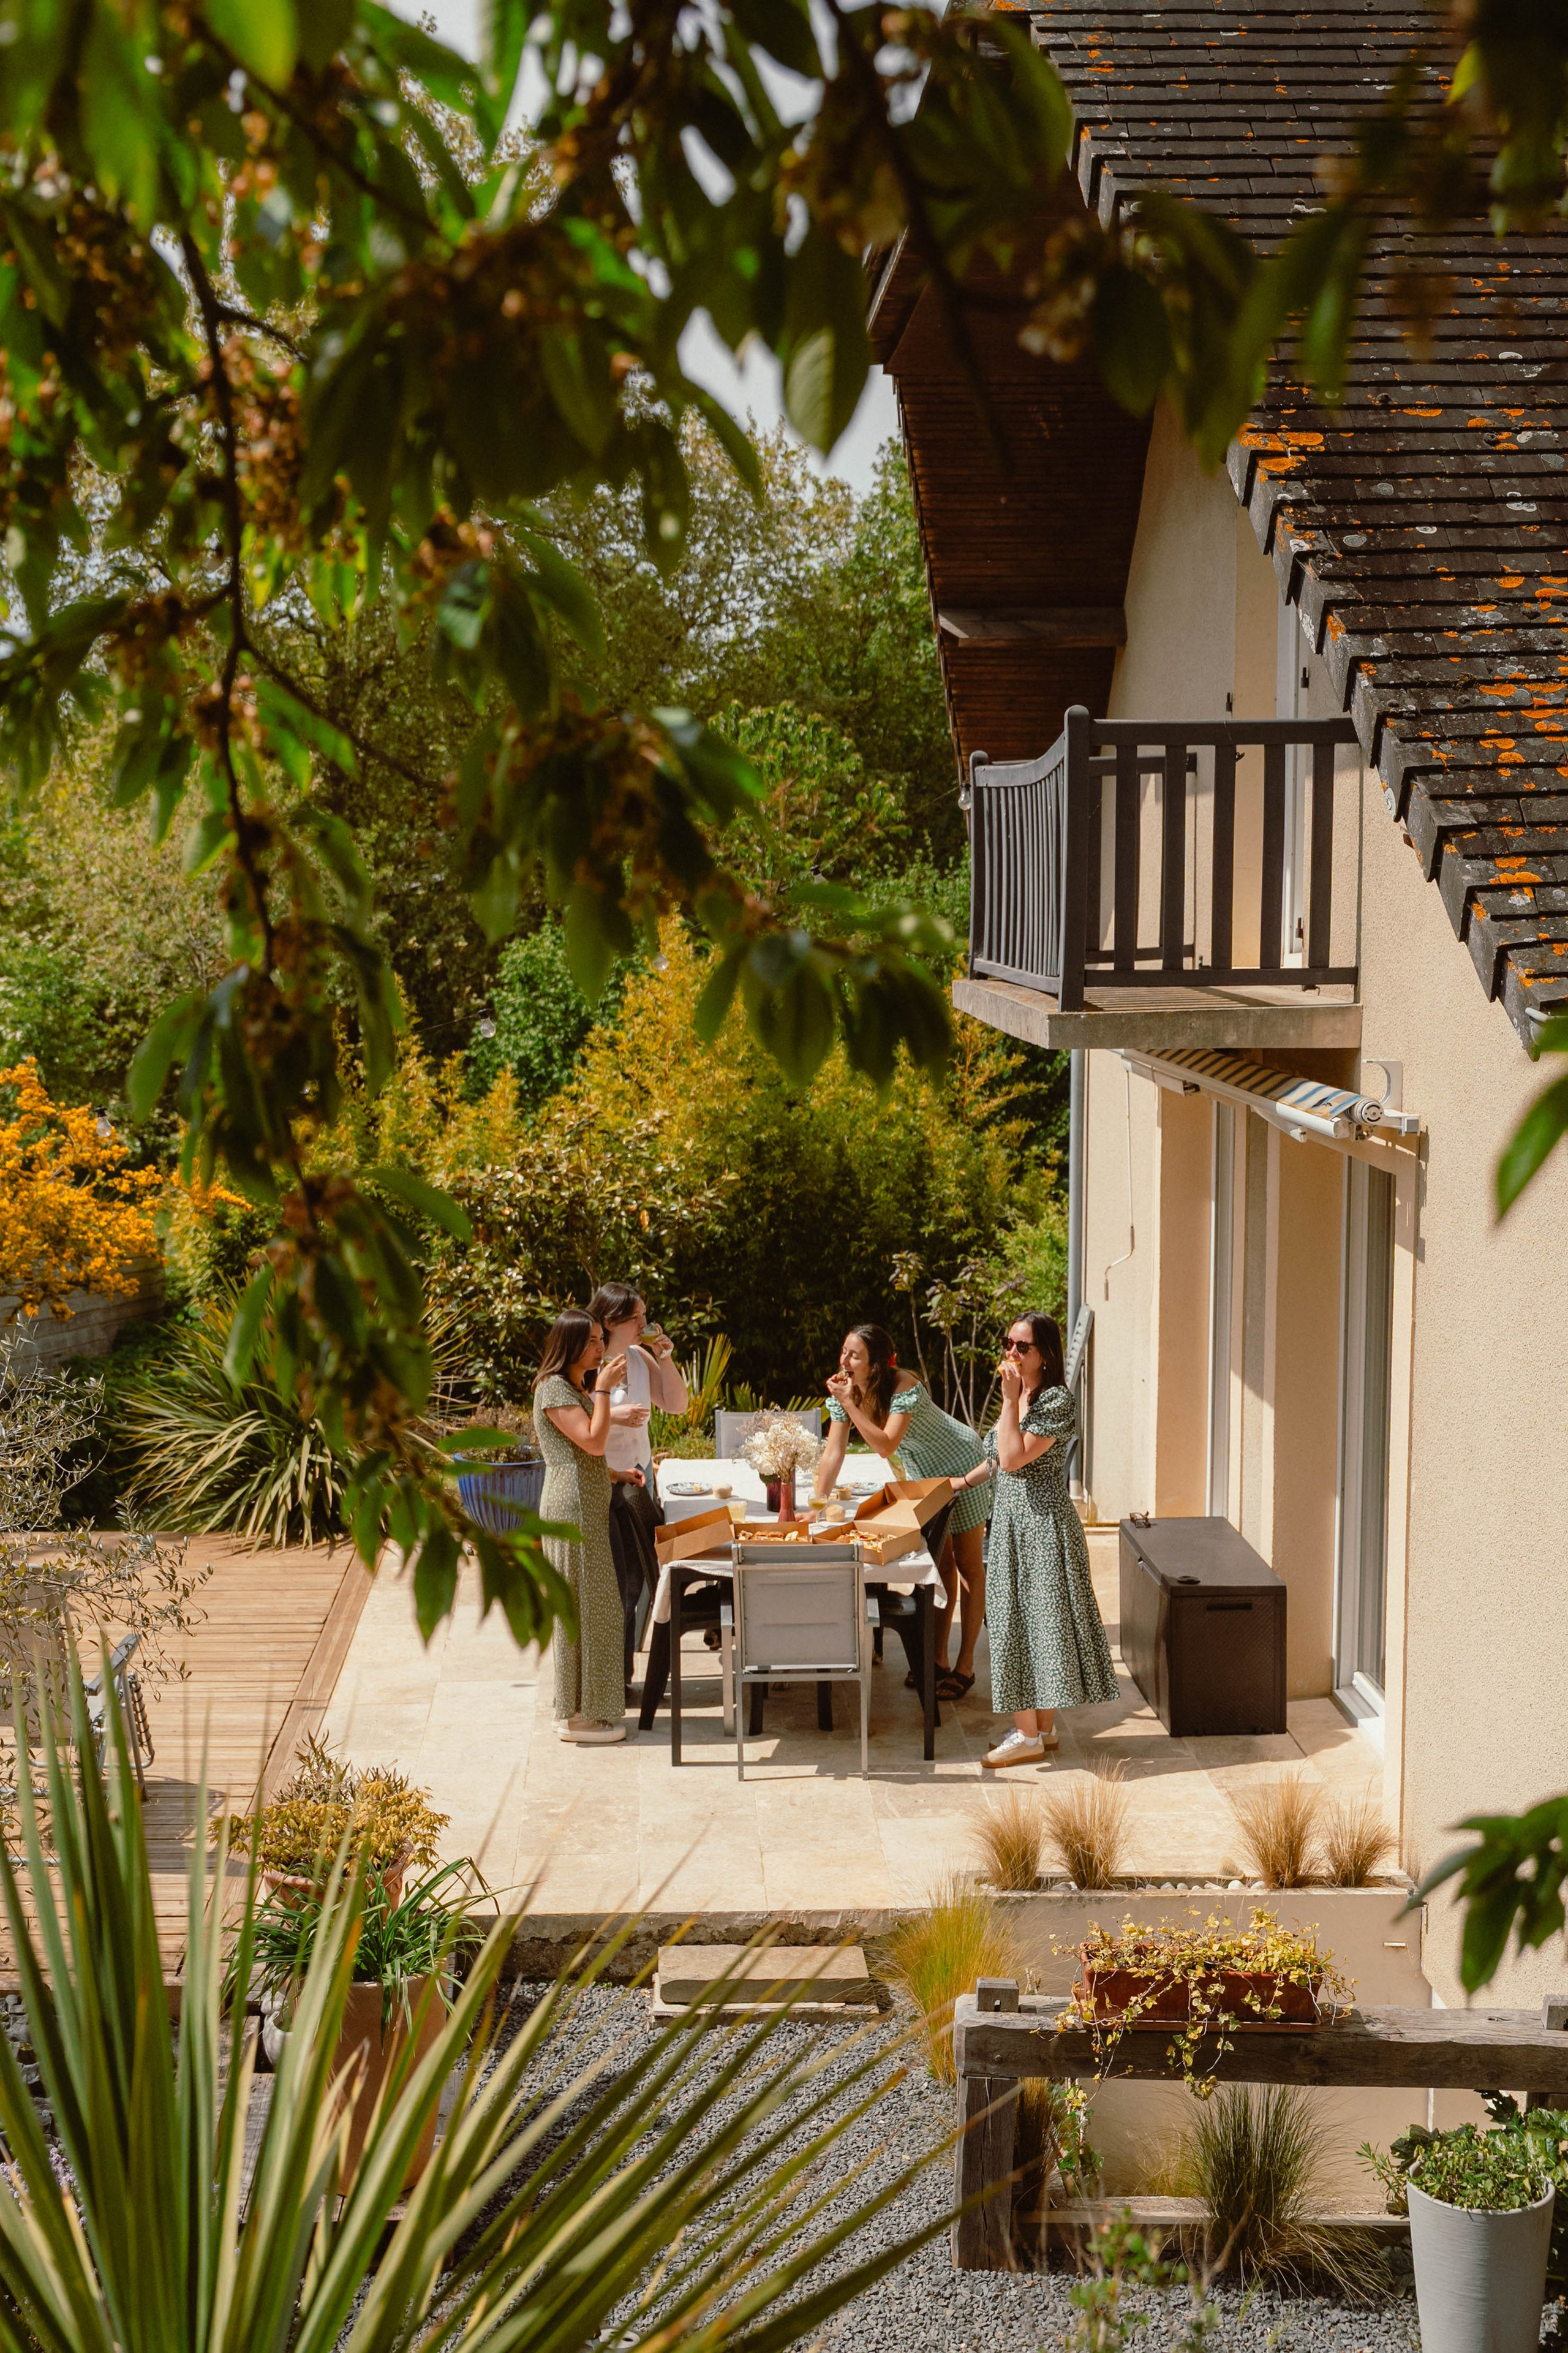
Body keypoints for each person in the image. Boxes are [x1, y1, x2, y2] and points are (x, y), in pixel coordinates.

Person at [950, 1312, 1118, 1770]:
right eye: (1009, 1343)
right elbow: (995, 1460)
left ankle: (1026, 1735)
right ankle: (1040, 1729)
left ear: (1045, 1353)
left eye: (1023, 1346)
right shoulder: (1022, 1394)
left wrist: (1008, 1401)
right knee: (1026, 1624)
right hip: (1010, 1524)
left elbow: (1014, 1456)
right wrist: (960, 1483)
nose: (1012, 1353)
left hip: (1042, 1528)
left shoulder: (1055, 1401)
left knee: (1023, 1627)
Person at [815, 1324, 990, 1702]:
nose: (844, 1361)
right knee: (940, 1565)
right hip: (924, 1477)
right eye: (843, 1351)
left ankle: (966, 1665)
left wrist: (849, 1403)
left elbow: (885, 1444)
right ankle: (938, 1660)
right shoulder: (847, 1392)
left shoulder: (904, 1387)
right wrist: (817, 1504)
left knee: (969, 1567)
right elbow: (834, 1452)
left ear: (875, 1364)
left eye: (854, 1355)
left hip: (962, 1463)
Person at [587, 1282, 689, 1701]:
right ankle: (613, 1678)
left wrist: (665, 1358)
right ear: (611, 1321)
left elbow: (678, 1404)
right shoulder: (586, 1363)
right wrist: (614, 1413)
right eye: (637, 1318)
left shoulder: (641, 1358)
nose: (647, 1324)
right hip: (604, 1478)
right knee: (617, 1582)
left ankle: (622, 1674)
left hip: (640, 1478)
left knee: (638, 1579)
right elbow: (574, 1425)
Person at [533, 1310, 629, 1744]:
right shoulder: (554, 1388)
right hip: (572, 1509)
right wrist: (605, 1389)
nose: (600, 1347)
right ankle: (577, 1715)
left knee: (595, 1608)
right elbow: (591, 1440)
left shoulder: (572, 1386)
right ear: (570, 1344)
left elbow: (584, 1453)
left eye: (599, 1339)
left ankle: (584, 1708)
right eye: (592, 1341)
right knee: (587, 1610)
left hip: (583, 1502)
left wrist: (617, 1475)